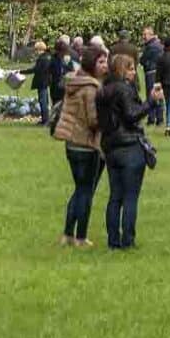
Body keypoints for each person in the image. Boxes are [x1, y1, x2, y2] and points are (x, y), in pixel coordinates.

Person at [98, 49, 152, 251]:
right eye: (130, 69)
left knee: (115, 196)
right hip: (129, 144)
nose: (133, 73)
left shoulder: (103, 89)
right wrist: (150, 103)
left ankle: (113, 240)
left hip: (110, 146)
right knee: (130, 196)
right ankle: (128, 239)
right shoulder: (125, 89)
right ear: (122, 70)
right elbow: (131, 115)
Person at [54, 45, 105, 247]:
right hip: (86, 144)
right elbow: (93, 120)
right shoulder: (90, 88)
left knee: (79, 189)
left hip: (71, 143)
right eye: (101, 62)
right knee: (86, 191)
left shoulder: (74, 82)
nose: (105, 65)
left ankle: (68, 233)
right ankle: (81, 237)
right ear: (92, 64)